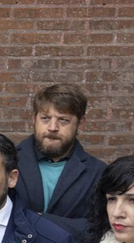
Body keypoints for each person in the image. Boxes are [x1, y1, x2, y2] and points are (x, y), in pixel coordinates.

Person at [14, 84, 107, 235]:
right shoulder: (8, 161)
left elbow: (98, 227)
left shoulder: (97, 172)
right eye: (45, 118)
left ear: (80, 123)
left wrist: (39, 220)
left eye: (63, 120)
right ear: (34, 119)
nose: (52, 127)